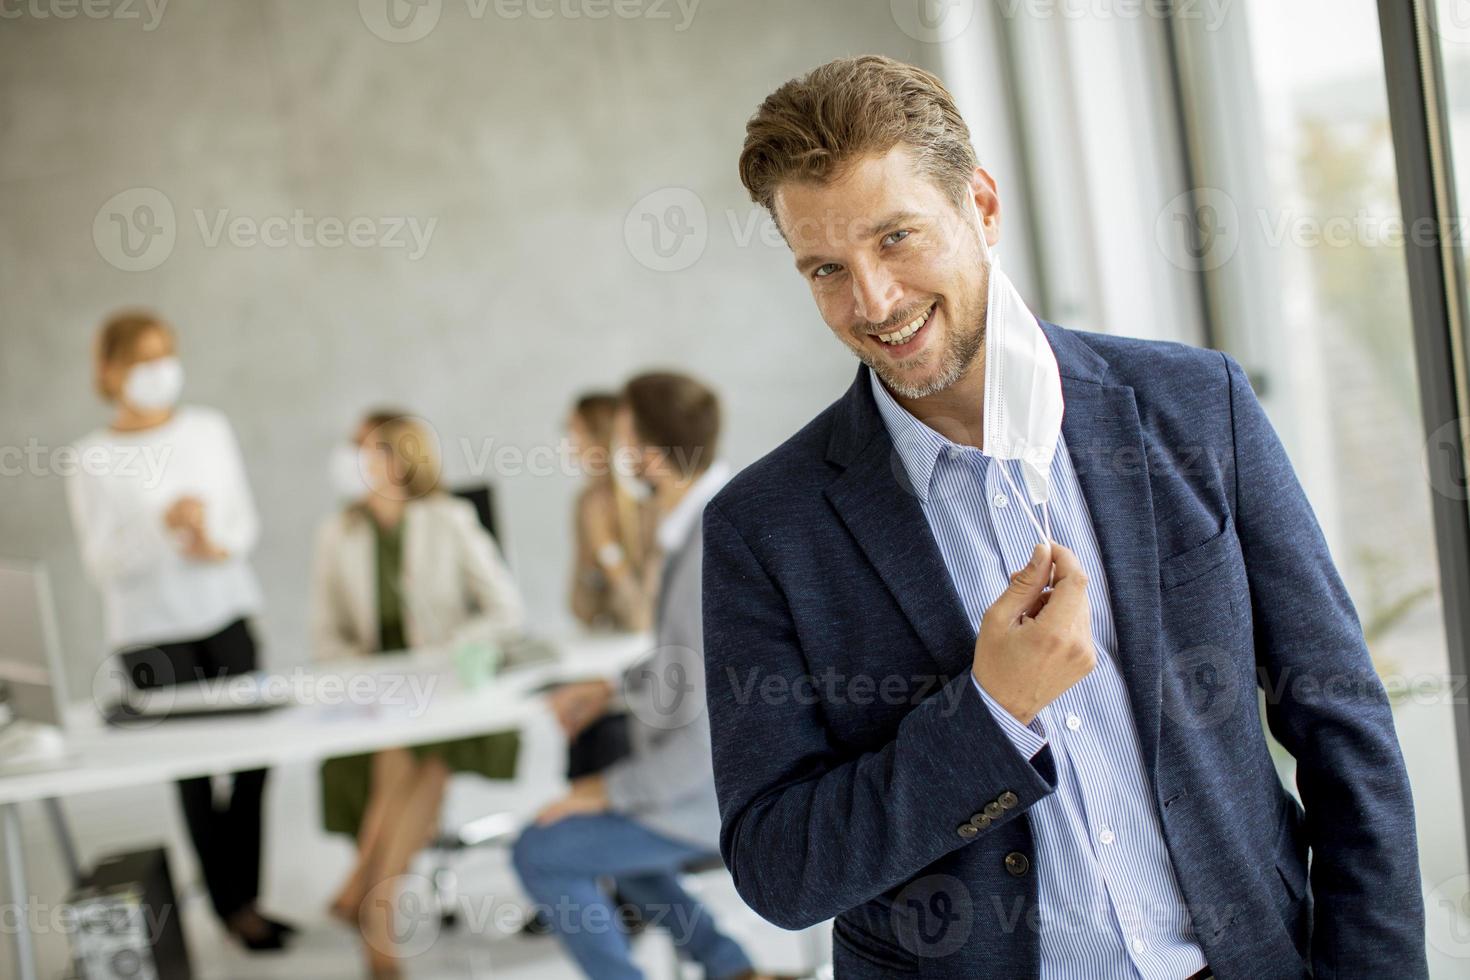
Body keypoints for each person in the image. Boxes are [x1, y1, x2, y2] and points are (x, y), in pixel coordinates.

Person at [700, 56, 1428, 979]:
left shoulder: (1197, 407)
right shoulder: (767, 527)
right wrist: (993, 712)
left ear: (984, 206)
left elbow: (1344, 727)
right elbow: (780, 869)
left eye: (897, 239)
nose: (872, 302)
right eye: (826, 269)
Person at [513, 373, 775, 980]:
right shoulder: (708, 522)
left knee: (540, 850)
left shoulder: (709, 544)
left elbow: (703, 745)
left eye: (622, 437)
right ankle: (731, 967)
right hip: (708, 782)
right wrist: (611, 688)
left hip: (718, 795)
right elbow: (683, 662)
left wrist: (599, 792)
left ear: (651, 457)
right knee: (618, 846)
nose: (612, 453)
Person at [65, 310, 296, 951]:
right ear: (110, 372)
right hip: (150, 632)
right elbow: (101, 563)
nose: (160, 370)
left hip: (225, 612)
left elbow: (242, 523)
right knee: (193, 774)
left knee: (255, 760)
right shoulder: (91, 458)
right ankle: (235, 911)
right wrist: (162, 526)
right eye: (143, 358)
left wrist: (213, 541)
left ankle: (239, 899)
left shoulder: (208, 430)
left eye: (166, 353)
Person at [311, 410, 524, 980]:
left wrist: (448, 648)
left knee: (419, 748)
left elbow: (506, 609)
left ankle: (367, 896)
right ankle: (376, 912)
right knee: (412, 752)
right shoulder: (339, 532)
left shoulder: (449, 519)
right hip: (375, 699)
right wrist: (366, 673)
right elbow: (325, 634)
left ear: (400, 456)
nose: (352, 458)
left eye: (366, 447)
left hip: (447, 691)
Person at [567, 392, 659, 633]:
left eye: (577, 435)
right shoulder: (587, 503)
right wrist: (591, 559)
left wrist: (608, 551)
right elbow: (581, 610)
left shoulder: (651, 502)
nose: (570, 448)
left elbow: (640, 619)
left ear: (603, 438)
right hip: (612, 648)